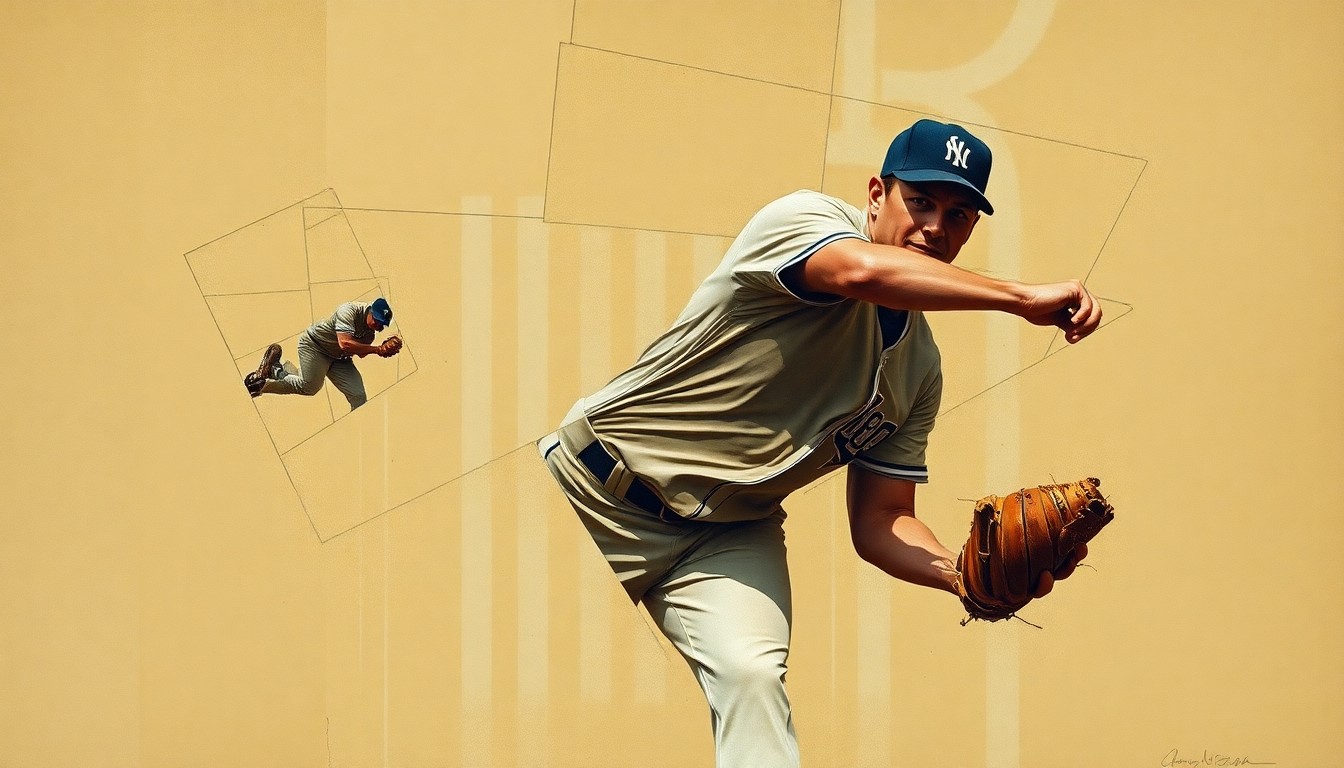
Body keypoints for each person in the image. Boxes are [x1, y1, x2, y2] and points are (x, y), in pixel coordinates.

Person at [537, 119, 1100, 768]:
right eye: (919, 201)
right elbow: (861, 272)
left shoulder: (917, 372)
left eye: (959, 214)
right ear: (875, 195)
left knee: (753, 679)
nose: (936, 228)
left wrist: (961, 576)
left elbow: (883, 519)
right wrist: (1019, 296)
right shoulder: (803, 220)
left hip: (725, 538)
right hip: (590, 490)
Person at [245, 296, 402, 410]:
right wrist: (377, 349)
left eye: (381, 323)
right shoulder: (349, 310)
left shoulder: (370, 334)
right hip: (315, 346)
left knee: (359, 395)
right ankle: (268, 378)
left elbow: (360, 353)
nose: (377, 324)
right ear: (371, 310)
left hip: (339, 359)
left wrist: (383, 349)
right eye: (376, 319)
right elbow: (345, 343)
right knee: (310, 387)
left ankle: (356, 430)